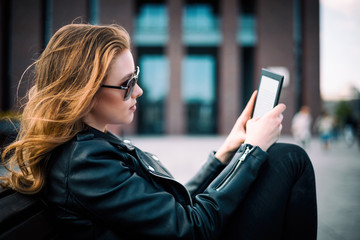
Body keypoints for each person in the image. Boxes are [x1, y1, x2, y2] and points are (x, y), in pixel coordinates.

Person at [0, 23, 317, 240]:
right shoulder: (85, 164)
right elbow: (192, 229)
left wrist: (227, 152)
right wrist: (251, 151)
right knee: (290, 158)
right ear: (83, 93)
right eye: (126, 85)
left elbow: (172, 207)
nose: (138, 91)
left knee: (285, 156)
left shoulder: (92, 147)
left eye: (134, 76)